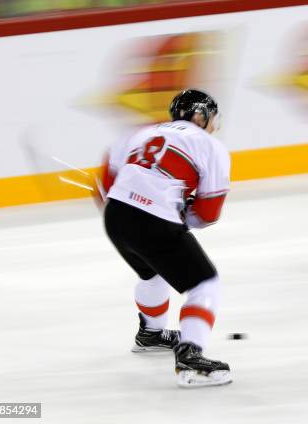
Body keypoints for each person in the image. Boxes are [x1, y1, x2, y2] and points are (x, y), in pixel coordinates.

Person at [98, 89, 231, 388]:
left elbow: (105, 185)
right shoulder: (210, 146)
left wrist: (132, 207)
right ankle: (190, 356)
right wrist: (180, 214)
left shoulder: (141, 133)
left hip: (116, 216)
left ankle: (151, 334)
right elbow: (209, 212)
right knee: (204, 284)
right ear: (201, 116)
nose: (215, 125)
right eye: (213, 117)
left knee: (152, 270)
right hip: (152, 218)